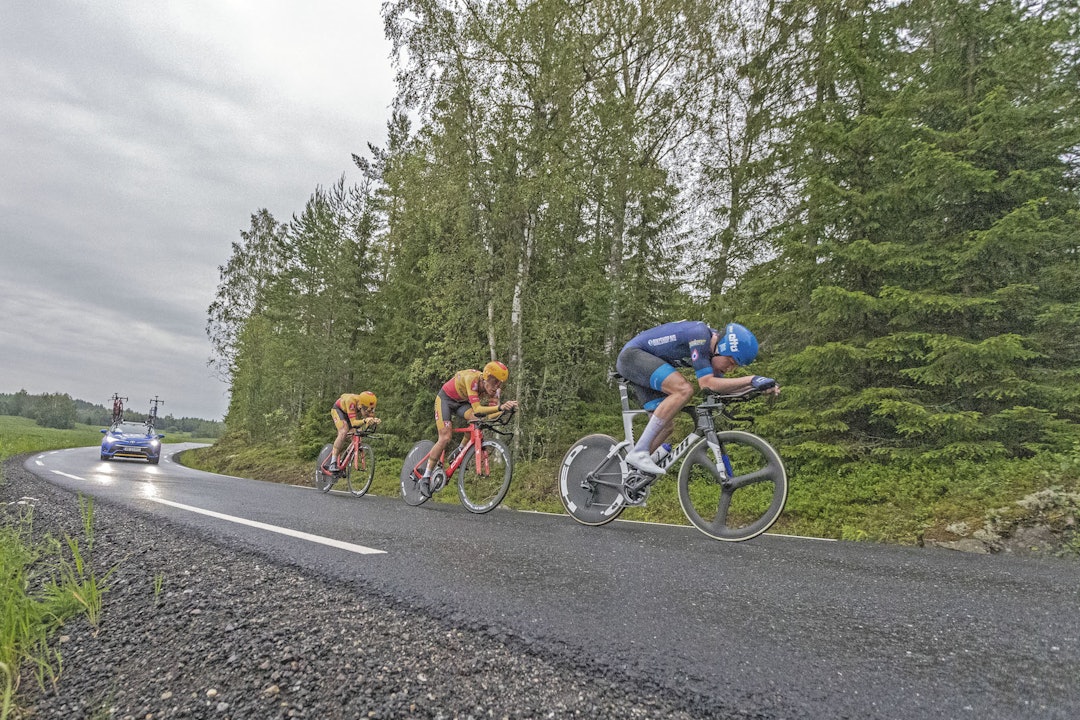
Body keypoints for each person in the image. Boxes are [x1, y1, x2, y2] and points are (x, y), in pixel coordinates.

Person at [615, 321, 779, 475]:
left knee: (666, 426)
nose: (730, 369)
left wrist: (757, 386)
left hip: (645, 362)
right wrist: (751, 379)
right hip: (633, 356)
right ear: (721, 348)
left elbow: (720, 388)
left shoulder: (712, 351)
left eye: (735, 366)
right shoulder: (699, 336)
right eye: (730, 361)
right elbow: (707, 384)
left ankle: (628, 474)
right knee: (684, 390)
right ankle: (640, 452)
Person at [419, 361, 519, 496]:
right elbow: (478, 409)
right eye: (495, 381)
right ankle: (426, 476)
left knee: (477, 422)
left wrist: (506, 410)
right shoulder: (472, 380)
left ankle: (459, 450)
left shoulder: (495, 391)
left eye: (500, 383)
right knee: (445, 437)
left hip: (462, 403)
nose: (497, 386)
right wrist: (500, 407)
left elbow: (491, 415)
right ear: (486, 377)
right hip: (445, 400)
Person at [328, 391, 380, 472]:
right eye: (367, 410)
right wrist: (365, 420)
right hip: (339, 411)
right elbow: (354, 423)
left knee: (358, 436)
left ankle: (344, 460)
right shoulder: (351, 402)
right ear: (360, 406)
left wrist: (374, 421)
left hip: (351, 414)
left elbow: (367, 419)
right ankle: (332, 462)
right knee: (343, 431)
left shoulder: (366, 406)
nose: (369, 413)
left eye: (371, 410)